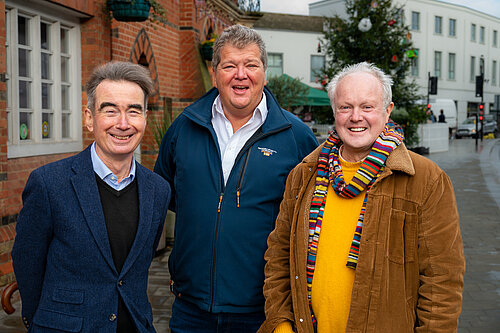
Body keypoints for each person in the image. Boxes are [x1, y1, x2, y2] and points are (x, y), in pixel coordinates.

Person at [259, 62, 465, 333]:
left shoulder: (425, 180)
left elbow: (442, 283)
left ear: (387, 111)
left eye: (367, 107)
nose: (356, 117)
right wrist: (281, 326)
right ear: (335, 111)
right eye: (346, 107)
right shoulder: (304, 175)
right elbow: (278, 256)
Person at [154, 24, 318, 332]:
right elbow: (166, 196)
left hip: (262, 309)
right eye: (229, 65)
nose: (240, 74)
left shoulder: (296, 137)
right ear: (214, 74)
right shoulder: (183, 128)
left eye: (250, 65)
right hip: (191, 308)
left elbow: (312, 214)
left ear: (264, 73)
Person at [12, 61, 171, 332]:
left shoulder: (158, 189)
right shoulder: (49, 184)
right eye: (110, 111)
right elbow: (28, 262)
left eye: (134, 111)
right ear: (89, 118)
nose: (123, 124)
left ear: (145, 117)